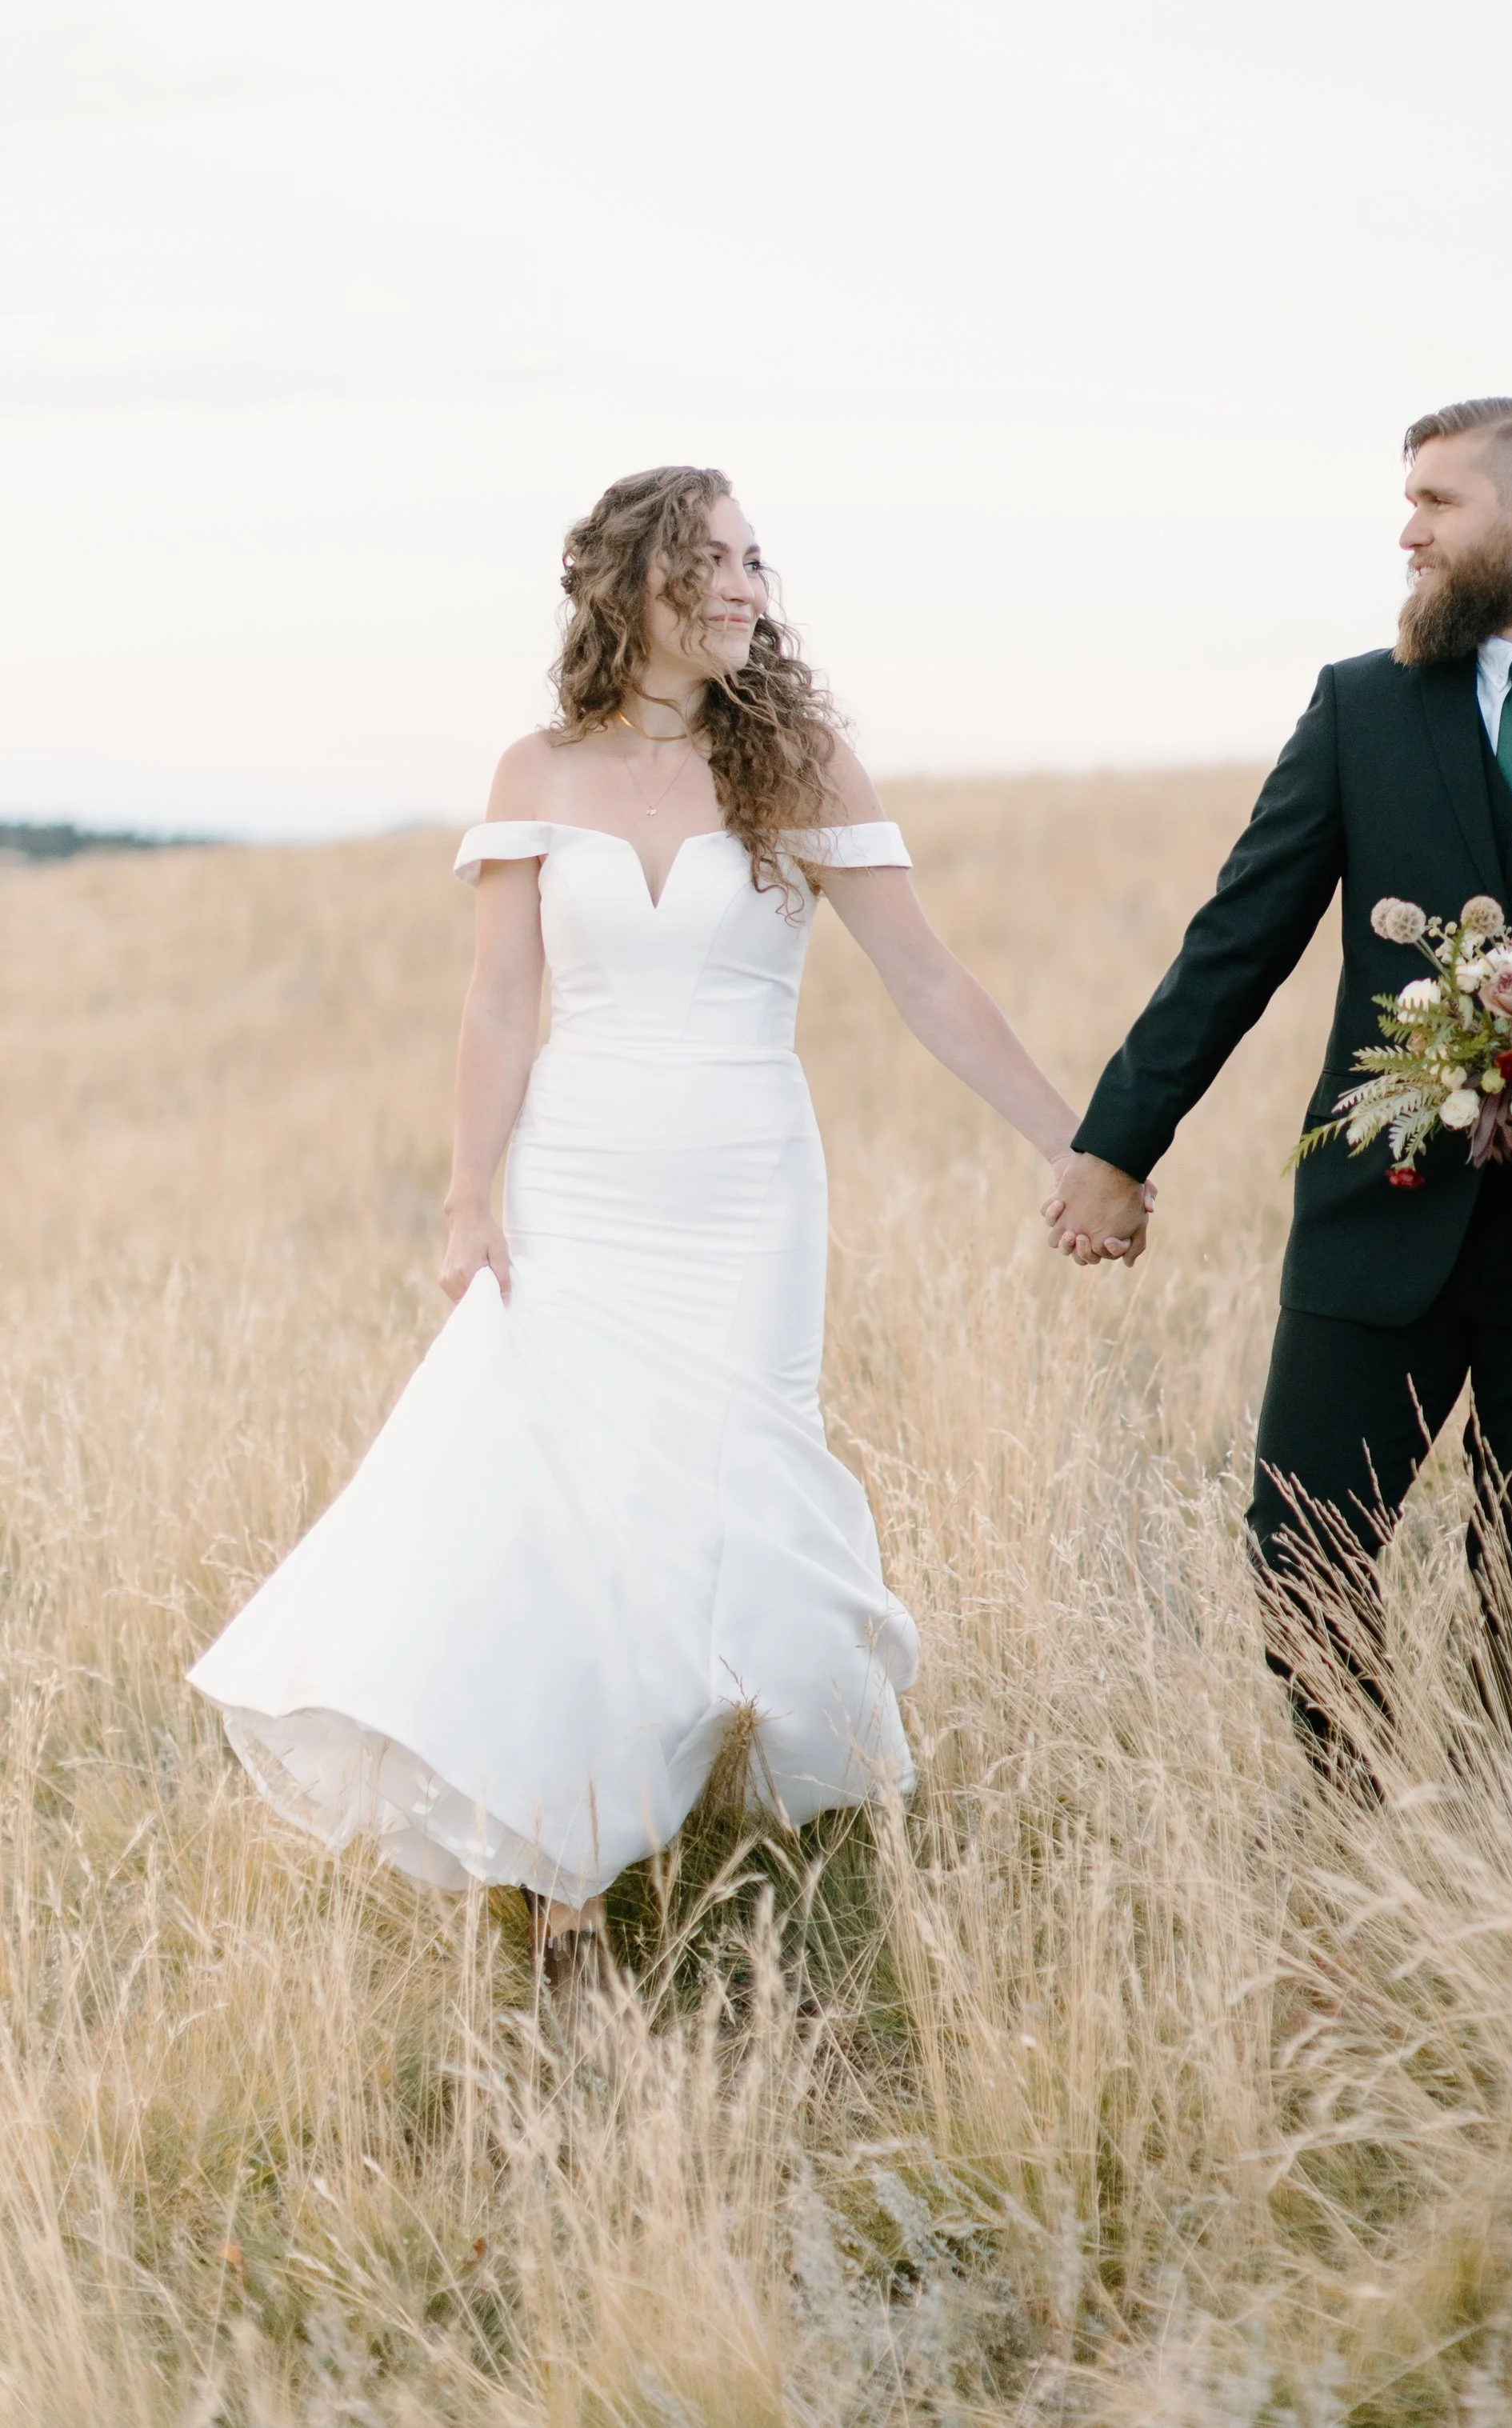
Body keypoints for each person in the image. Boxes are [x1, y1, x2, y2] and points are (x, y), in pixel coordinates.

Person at [191, 466, 1081, 1972]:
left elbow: (925, 979)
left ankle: (714, 1781)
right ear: (634, 587)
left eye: (754, 561)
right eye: (713, 562)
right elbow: (498, 999)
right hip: (579, 1181)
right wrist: (470, 1197)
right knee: (575, 1511)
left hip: (746, 1190)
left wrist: (1078, 1142)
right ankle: (567, 1873)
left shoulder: (802, 763)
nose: (747, 586)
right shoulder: (535, 771)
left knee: (731, 1488)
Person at [1042, 396, 1512, 1760]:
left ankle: (1504, 1876)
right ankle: (1359, 1831)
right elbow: (1239, 938)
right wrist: (1117, 1145)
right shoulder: (1361, 706)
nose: (1408, 532)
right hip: (1379, 1219)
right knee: (1301, 1543)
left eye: (1438, 505)